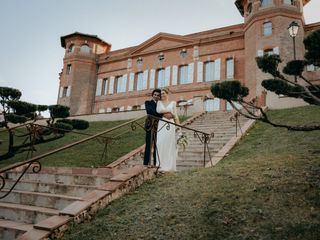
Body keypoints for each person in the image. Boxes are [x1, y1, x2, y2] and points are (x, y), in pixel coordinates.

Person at [143, 89, 174, 166]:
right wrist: (163, 114)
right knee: (149, 145)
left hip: (159, 127)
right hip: (150, 126)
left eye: (158, 95)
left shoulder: (160, 104)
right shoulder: (148, 102)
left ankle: (155, 163)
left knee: (158, 145)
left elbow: (163, 111)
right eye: (155, 95)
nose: (156, 96)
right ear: (152, 95)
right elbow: (150, 112)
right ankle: (146, 163)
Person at [156, 88, 180, 172]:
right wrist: (170, 111)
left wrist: (179, 128)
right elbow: (158, 110)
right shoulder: (159, 102)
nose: (162, 95)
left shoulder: (173, 103)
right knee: (160, 142)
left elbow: (176, 116)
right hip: (162, 124)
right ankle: (160, 164)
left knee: (170, 144)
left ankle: (169, 166)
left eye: (163, 93)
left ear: (167, 93)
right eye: (161, 94)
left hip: (171, 124)